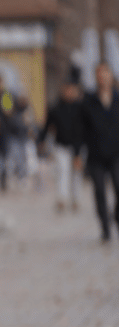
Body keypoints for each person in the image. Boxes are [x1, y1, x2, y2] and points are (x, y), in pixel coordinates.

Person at [80, 62, 119, 242]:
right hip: (95, 154)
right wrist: (77, 153)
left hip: (116, 153)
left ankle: (116, 215)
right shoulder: (89, 101)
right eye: (99, 74)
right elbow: (81, 129)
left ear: (111, 75)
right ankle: (105, 228)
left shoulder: (117, 98)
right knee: (100, 192)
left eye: (105, 73)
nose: (102, 77)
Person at [41, 73, 85, 213]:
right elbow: (47, 126)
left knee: (76, 174)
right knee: (62, 171)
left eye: (71, 89)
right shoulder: (56, 107)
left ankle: (76, 199)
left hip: (78, 145)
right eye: (66, 88)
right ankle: (62, 199)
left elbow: (85, 129)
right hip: (61, 145)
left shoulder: (81, 108)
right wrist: (41, 140)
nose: (69, 91)